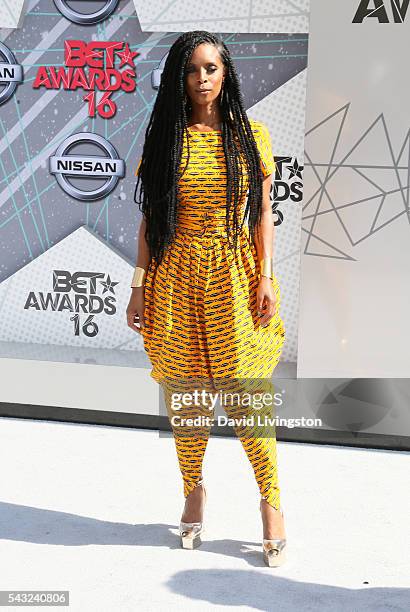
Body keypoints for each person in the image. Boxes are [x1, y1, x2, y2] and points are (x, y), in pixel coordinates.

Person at [126, 30, 287, 567]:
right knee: (188, 394)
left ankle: (271, 502)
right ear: (179, 77)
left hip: (234, 275)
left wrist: (265, 278)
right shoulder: (166, 139)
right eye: (193, 70)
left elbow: (263, 214)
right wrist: (139, 286)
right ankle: (193, 488)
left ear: (226, 73)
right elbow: (152, 220)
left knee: (245, 394)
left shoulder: (251, 136)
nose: (202, 80)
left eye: (212, 68)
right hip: (175, 278)